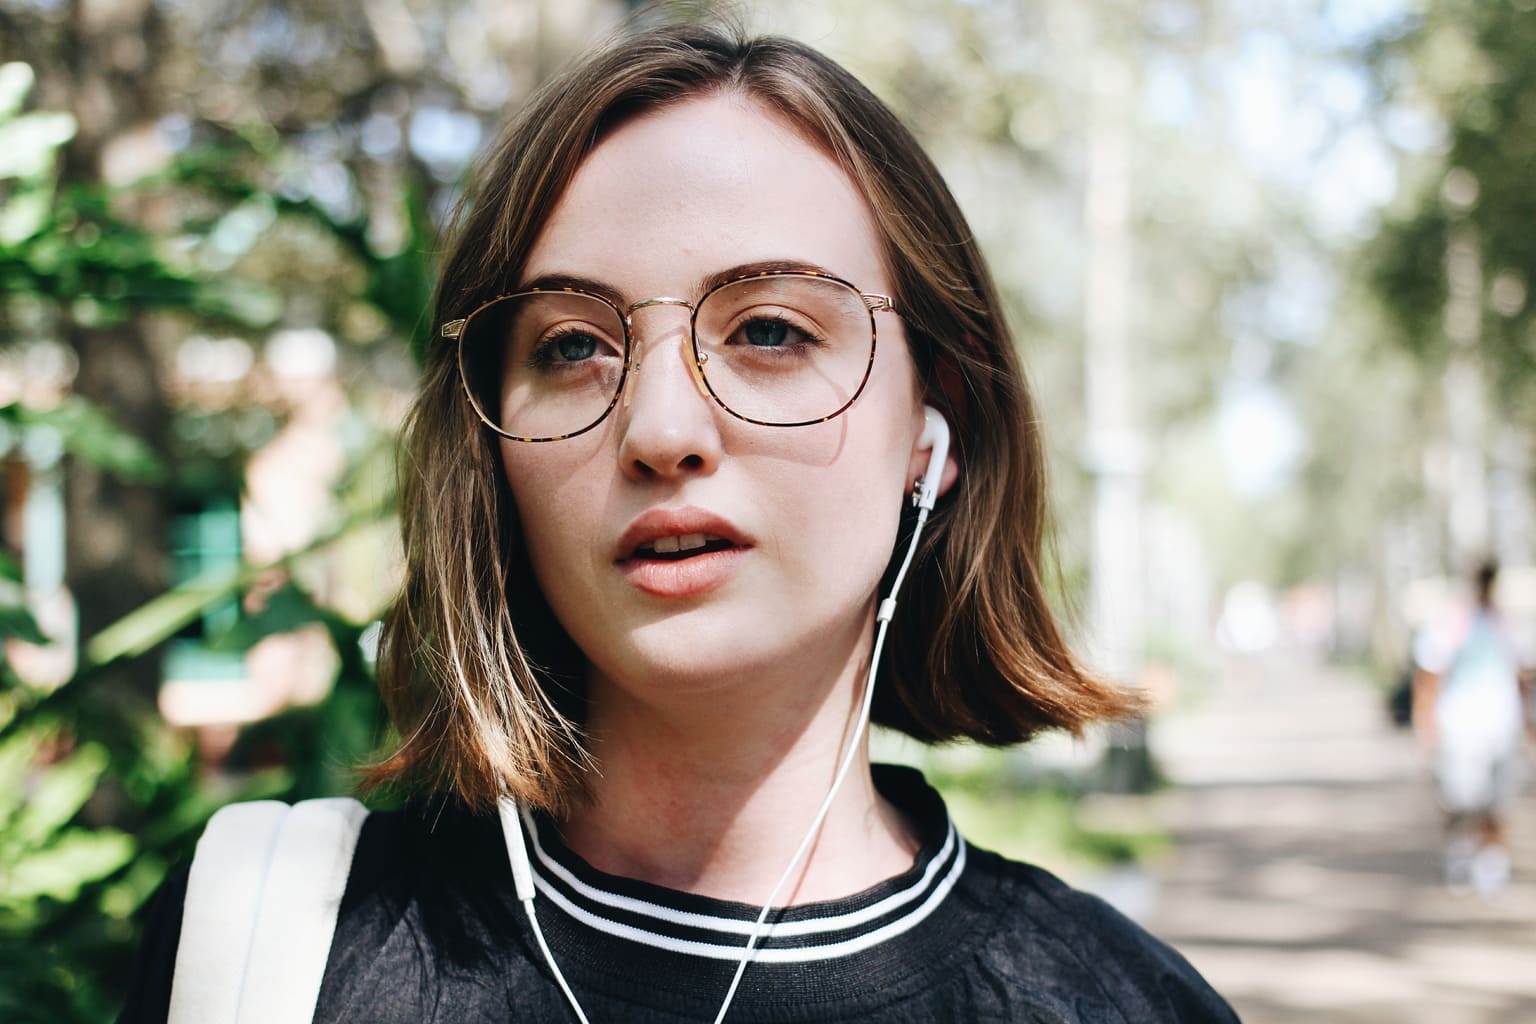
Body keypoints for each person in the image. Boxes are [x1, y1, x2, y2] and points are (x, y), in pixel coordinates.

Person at [118, 21, 1237, 1022]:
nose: (660, 428)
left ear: (931, 430)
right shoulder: (272, 946)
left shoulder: (1114, 1000)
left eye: (769, 330)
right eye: (571, 346)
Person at [1412, 561, 1527, 895]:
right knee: (1458, 798)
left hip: (1501, 728)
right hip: (1461, 727)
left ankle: (1491, 864)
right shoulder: (1453, 621)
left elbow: (1520, 675)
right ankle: (1459, 856)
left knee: (1497, 801)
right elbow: (1429, 677)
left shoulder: (1505, 622)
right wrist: (1425, 724)